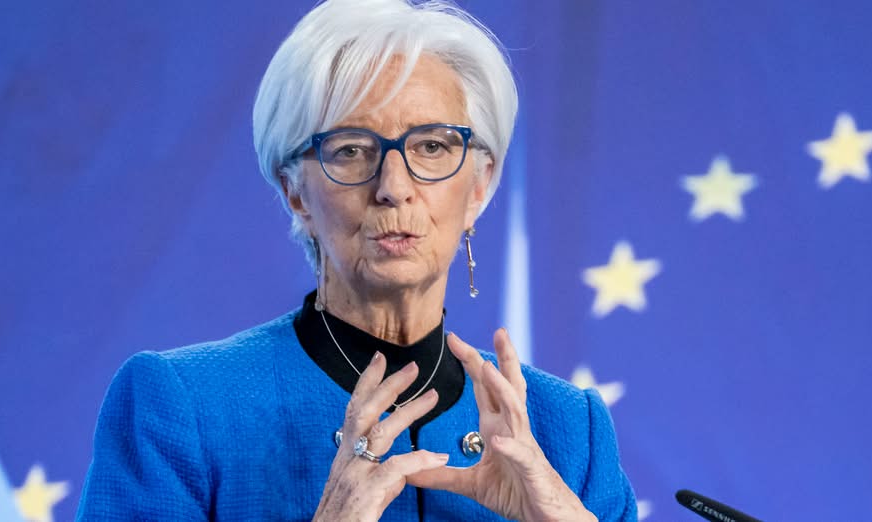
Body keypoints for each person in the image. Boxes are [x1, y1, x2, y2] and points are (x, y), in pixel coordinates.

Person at [76, 0, 637, 520]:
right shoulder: (183, 405)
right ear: (296, 194)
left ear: (478, 186)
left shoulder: (570, 430)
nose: (394, 187)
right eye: (350, 150)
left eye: (432, 146)